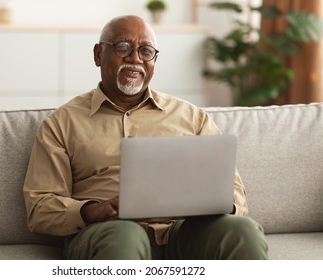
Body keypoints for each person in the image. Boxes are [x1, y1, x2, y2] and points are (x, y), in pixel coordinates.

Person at [23, 15, 268, 260]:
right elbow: (40, 207)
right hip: (108, 232)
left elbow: (234, 192)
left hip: (184, 231)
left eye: (146, 50)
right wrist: (94, 211)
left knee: (242, 231)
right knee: (125, 237)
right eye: (123, 47)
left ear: (155, 60)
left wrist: (217, 204)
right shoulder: (61, 123)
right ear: (98, 54)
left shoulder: (192, 117)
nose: (135, 58)